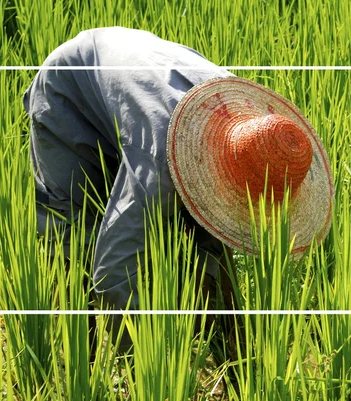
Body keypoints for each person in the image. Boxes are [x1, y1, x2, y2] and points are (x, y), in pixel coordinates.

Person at [23, 27, 334, 353]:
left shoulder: (249, 122)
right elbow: (113, 274)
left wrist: (238, 360)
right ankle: (75, 365)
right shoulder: (162, 164)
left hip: (137, 83)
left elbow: (215, 248)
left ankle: (233, 360)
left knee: (204, 244)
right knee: (74, 239)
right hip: (71, 86)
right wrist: (148, 369)